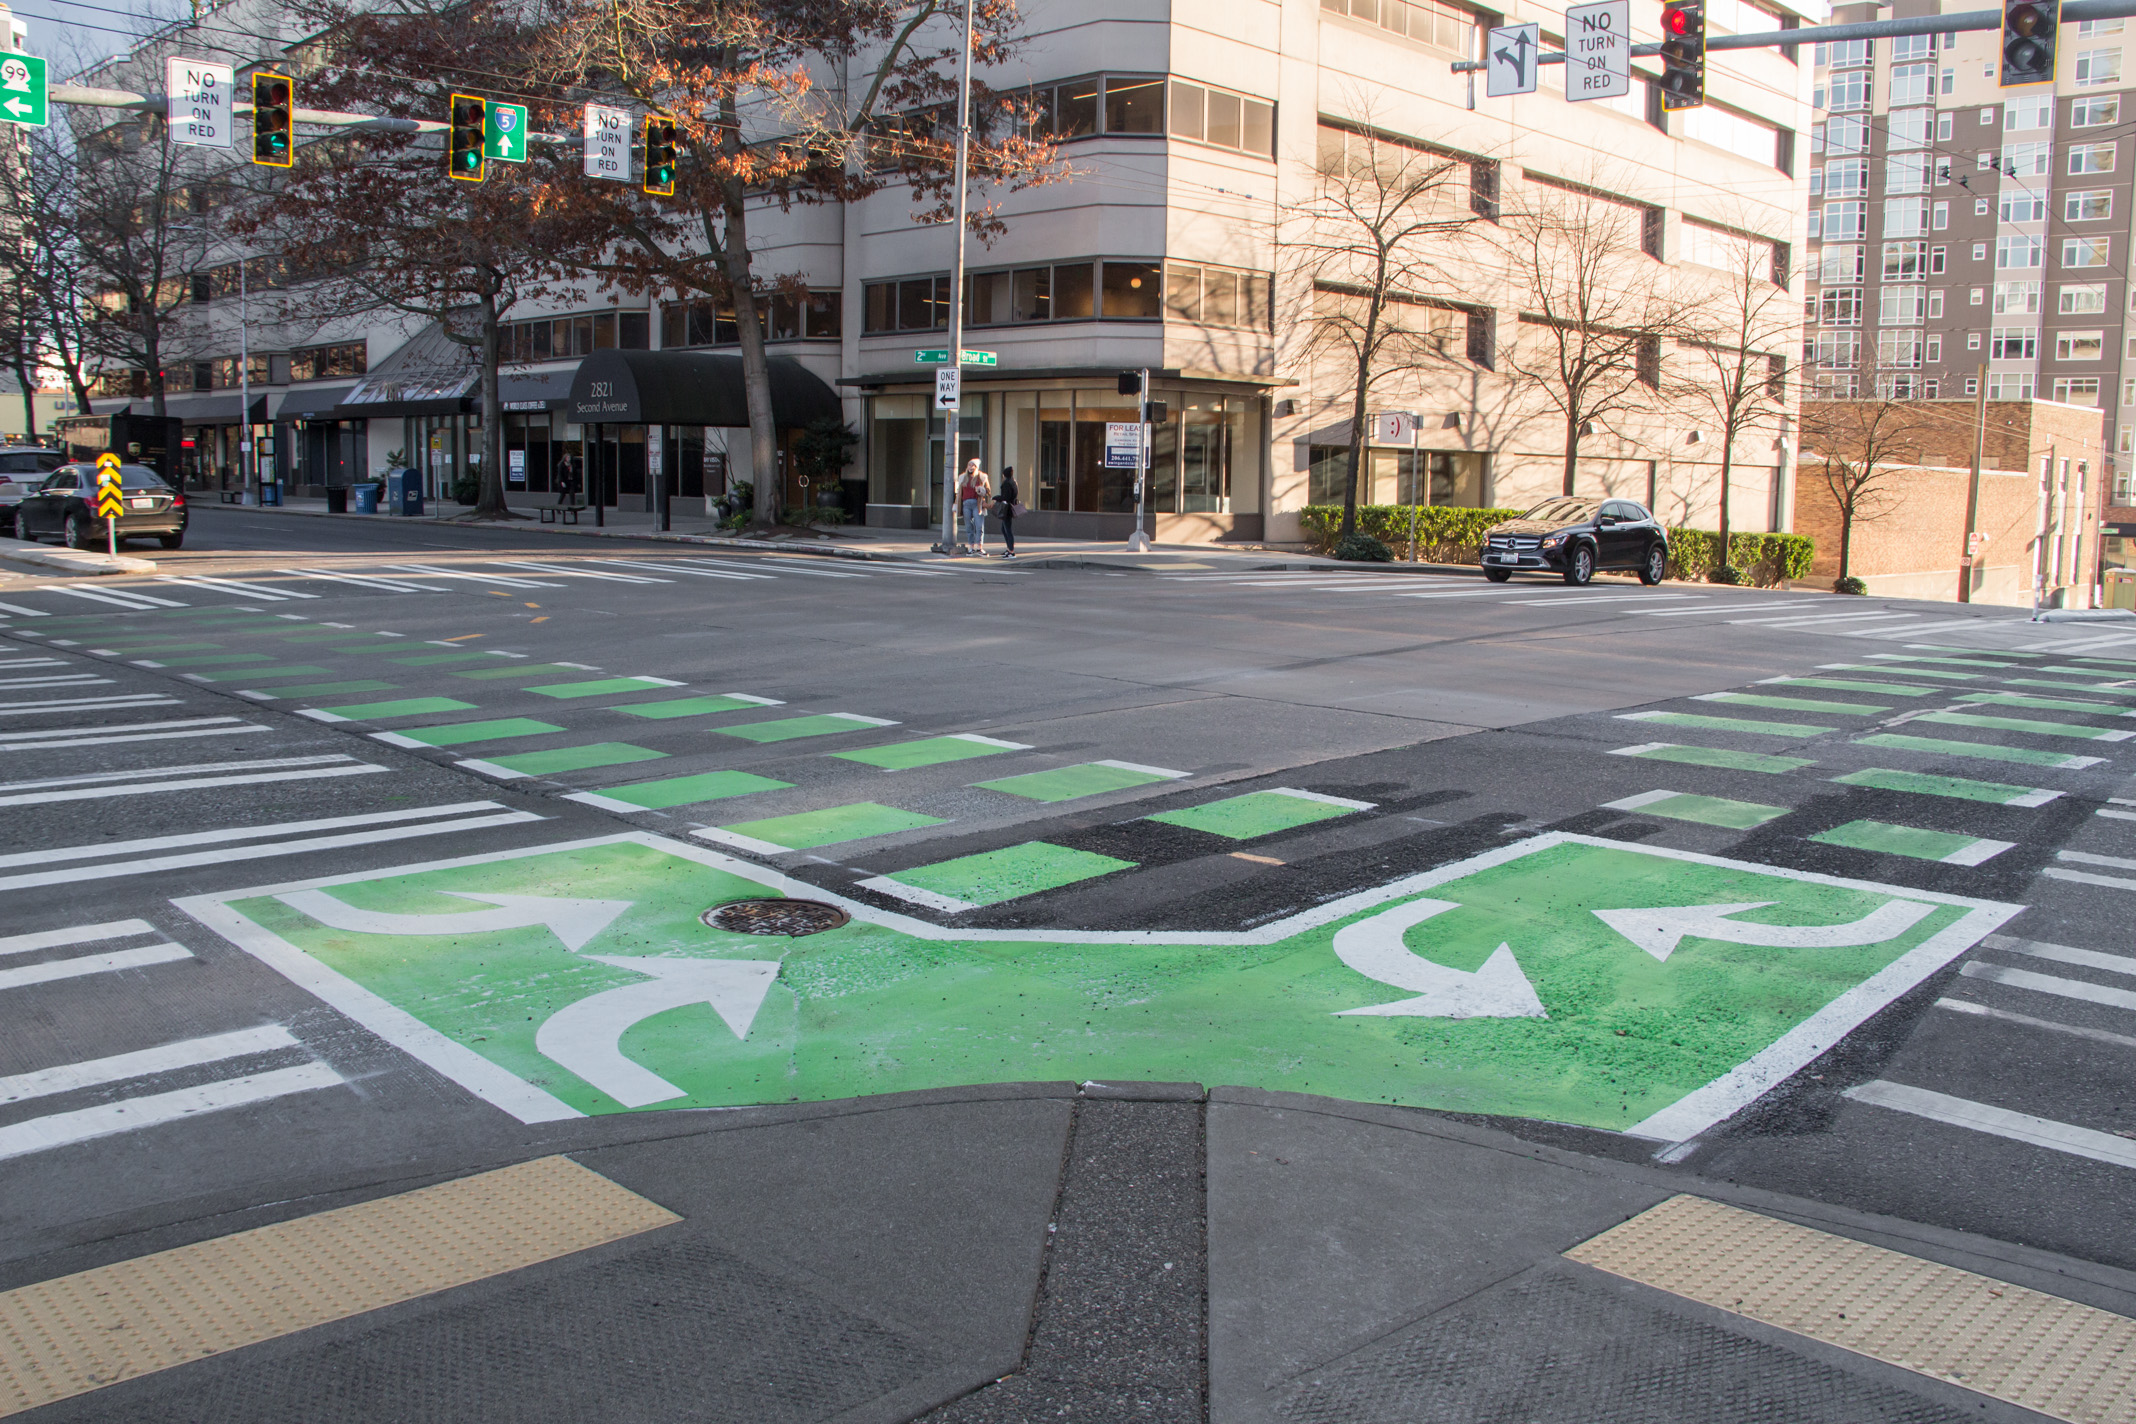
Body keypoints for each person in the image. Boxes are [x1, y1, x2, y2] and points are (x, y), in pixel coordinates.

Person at [994, 466, 1018, 558]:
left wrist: (996, 498)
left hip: (1006, 509)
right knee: (1004, 529)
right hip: (1010, 507)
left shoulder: (1007, 484)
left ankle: (1011, 551)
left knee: (1007, 530)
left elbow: (1005, 497)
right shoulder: (1013, 482)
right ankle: (1009, 549)